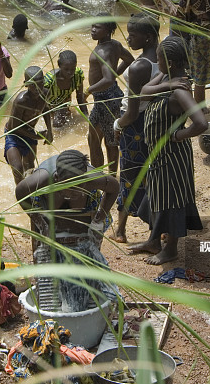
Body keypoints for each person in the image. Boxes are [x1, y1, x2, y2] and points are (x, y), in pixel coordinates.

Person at [128, 36, 208, 265]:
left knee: (171, 201)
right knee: (156, 196)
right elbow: (144, 92)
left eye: (160, 59)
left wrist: (175, 136)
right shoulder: (167, 78)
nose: (156, 62)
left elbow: (202, 123)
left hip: (171, 156)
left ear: (170, 62)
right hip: (157, 154)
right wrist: (166, 83)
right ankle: (154, 241)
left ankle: (170, 249)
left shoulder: (181, 91)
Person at [14, 149, 120, 311]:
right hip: (49, 201)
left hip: (86, 205)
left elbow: (114, 187)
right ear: (57, 178)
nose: (74, 192)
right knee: (44, 246)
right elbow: (20, 192)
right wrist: (42, 225)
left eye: (79, 186)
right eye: (71, 188)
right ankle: (46, 287)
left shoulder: (93, 180)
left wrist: (98, 220)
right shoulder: (44, 179)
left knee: (88, 244)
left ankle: (87, 284)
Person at [112, 13, 161, 243]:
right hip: (155, 123)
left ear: (148, 38)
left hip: (135, 127)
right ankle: (157, 227)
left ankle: (120, 229)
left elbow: (131, 112)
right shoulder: (165, 59)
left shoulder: (139, 66)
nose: (128, 39)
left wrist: (117, 124)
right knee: (152, 175)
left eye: (133, 35)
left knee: (130, 176)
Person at [85, 14, 134, 172]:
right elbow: (129, 59)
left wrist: (88, 90)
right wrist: (114, 75)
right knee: (94, 138)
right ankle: (100, 176)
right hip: (107, 97)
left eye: (97, 27)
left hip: (107, 99)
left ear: (107, 31)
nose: (92, 30)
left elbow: (106, 79)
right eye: (92, 26)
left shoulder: (103, 51)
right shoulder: (115, 44)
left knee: (109, 141)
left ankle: (108, 179)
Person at [3, 66, 53, 184]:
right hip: (13, 135)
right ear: (26, 84)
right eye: (33, 85)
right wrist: (37, 137)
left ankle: (30, 194)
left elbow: (46, 109)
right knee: (18, 169)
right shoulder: (21, 101)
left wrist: (50, 131)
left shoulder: (46, 93)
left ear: (44, 82)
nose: (37, 88)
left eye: (40, 83)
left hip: (29, 132)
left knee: (30, 169)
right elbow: (13, 127)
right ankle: (22, 198)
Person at [42, 50, 87, 128]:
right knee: (56, 124)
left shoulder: (77, 75)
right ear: (59, 65)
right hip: (49, 103)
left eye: (73, 69)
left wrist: (86, 116)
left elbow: (80, 97)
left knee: (60, 122)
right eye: (66, 69)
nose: (70, 72)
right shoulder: (49, 81)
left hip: (64, 101)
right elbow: (42, 104)